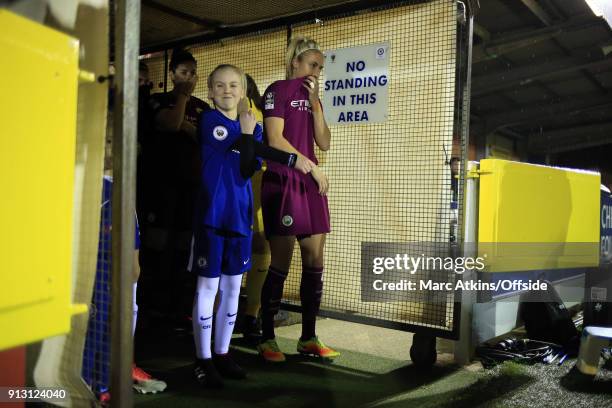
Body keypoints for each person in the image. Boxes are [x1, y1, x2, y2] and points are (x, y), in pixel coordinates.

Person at [190, 64, 314, 387]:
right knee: (208, 288)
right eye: (220, 85)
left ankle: (222, 353)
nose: (227, 90)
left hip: (240, 220)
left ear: (243, 92)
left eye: (233, 85)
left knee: (233, 289)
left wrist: (250, 136)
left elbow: (247, 167)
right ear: (210, 91)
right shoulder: (208, 121)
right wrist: (261, 143)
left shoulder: (253, 128)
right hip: (211, 220)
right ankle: (202, 361)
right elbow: (249, 150)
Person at [257, 36, 339, 363]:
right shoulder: (278, 89)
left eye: (320, 66)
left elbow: (325, 143)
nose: (316, 71)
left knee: (315, 261)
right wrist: (308, 166)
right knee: (281, 260)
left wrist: (317, 104)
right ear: (295, 63)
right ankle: (266, 338)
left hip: (310, 182)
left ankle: (308, 338)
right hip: (285, 179)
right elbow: (275, 139)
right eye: (311, 64)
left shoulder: (312, 98)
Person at [139, 49, 210, 330]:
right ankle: (149, 308)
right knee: (156, 245)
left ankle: (178, 310)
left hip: (191, 190)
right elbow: (169, 124)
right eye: (183, 72)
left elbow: (207, 138)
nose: (189, 78)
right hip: (160, 187)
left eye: (193, 73)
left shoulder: (204, 108)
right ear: (171, 74)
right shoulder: (158, 100)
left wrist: (186, 126)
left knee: (184, 247)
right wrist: (181, 99)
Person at [241, 74, 270, 342]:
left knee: (260, 245)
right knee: (245, 246)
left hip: (260, 185)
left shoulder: (260, 109)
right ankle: (246, 314)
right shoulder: (233, 109)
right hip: (241, 185)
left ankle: (252, 314)